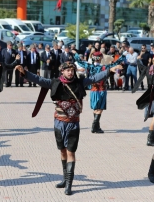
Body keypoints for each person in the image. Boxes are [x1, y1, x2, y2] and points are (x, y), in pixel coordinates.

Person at [14, 62, 122, 195]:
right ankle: (65, 179)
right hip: (59, 123)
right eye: (67, 70)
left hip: (73, 123)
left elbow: (94, 78)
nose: (70, 72)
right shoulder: (55, 82)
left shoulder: (80, 82)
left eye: (72, 70)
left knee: (71, 152)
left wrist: (109, 71)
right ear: (62, 71)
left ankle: (69, 184)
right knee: (62, 151)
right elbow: (39, 79)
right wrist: (24, 72)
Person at [74, 51, 125, 133]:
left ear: (92, 58)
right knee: (100, 108)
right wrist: (123, 56)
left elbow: (79, 61)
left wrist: (75, 54)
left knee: (95, 108)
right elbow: (116, 63)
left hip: (93, 89)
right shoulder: (104, 67)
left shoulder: (88, 66)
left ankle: (97, 127)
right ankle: (94, 126)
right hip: (101, 89)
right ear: (101, 58)